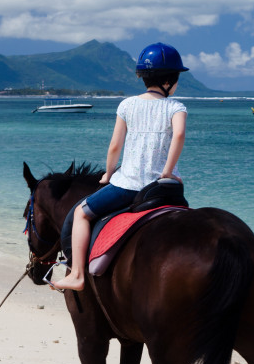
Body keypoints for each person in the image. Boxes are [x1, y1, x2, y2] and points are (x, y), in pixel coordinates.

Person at [50, 42, 189, 292]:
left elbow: (115, 145)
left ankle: (78, 274)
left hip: (129, 186)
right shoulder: (176, 107)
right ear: (169, 80)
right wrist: (167, 172)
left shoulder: (127, 105)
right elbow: (178, 136)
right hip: (164, 188)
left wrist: (109, 173)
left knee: (82, 213)